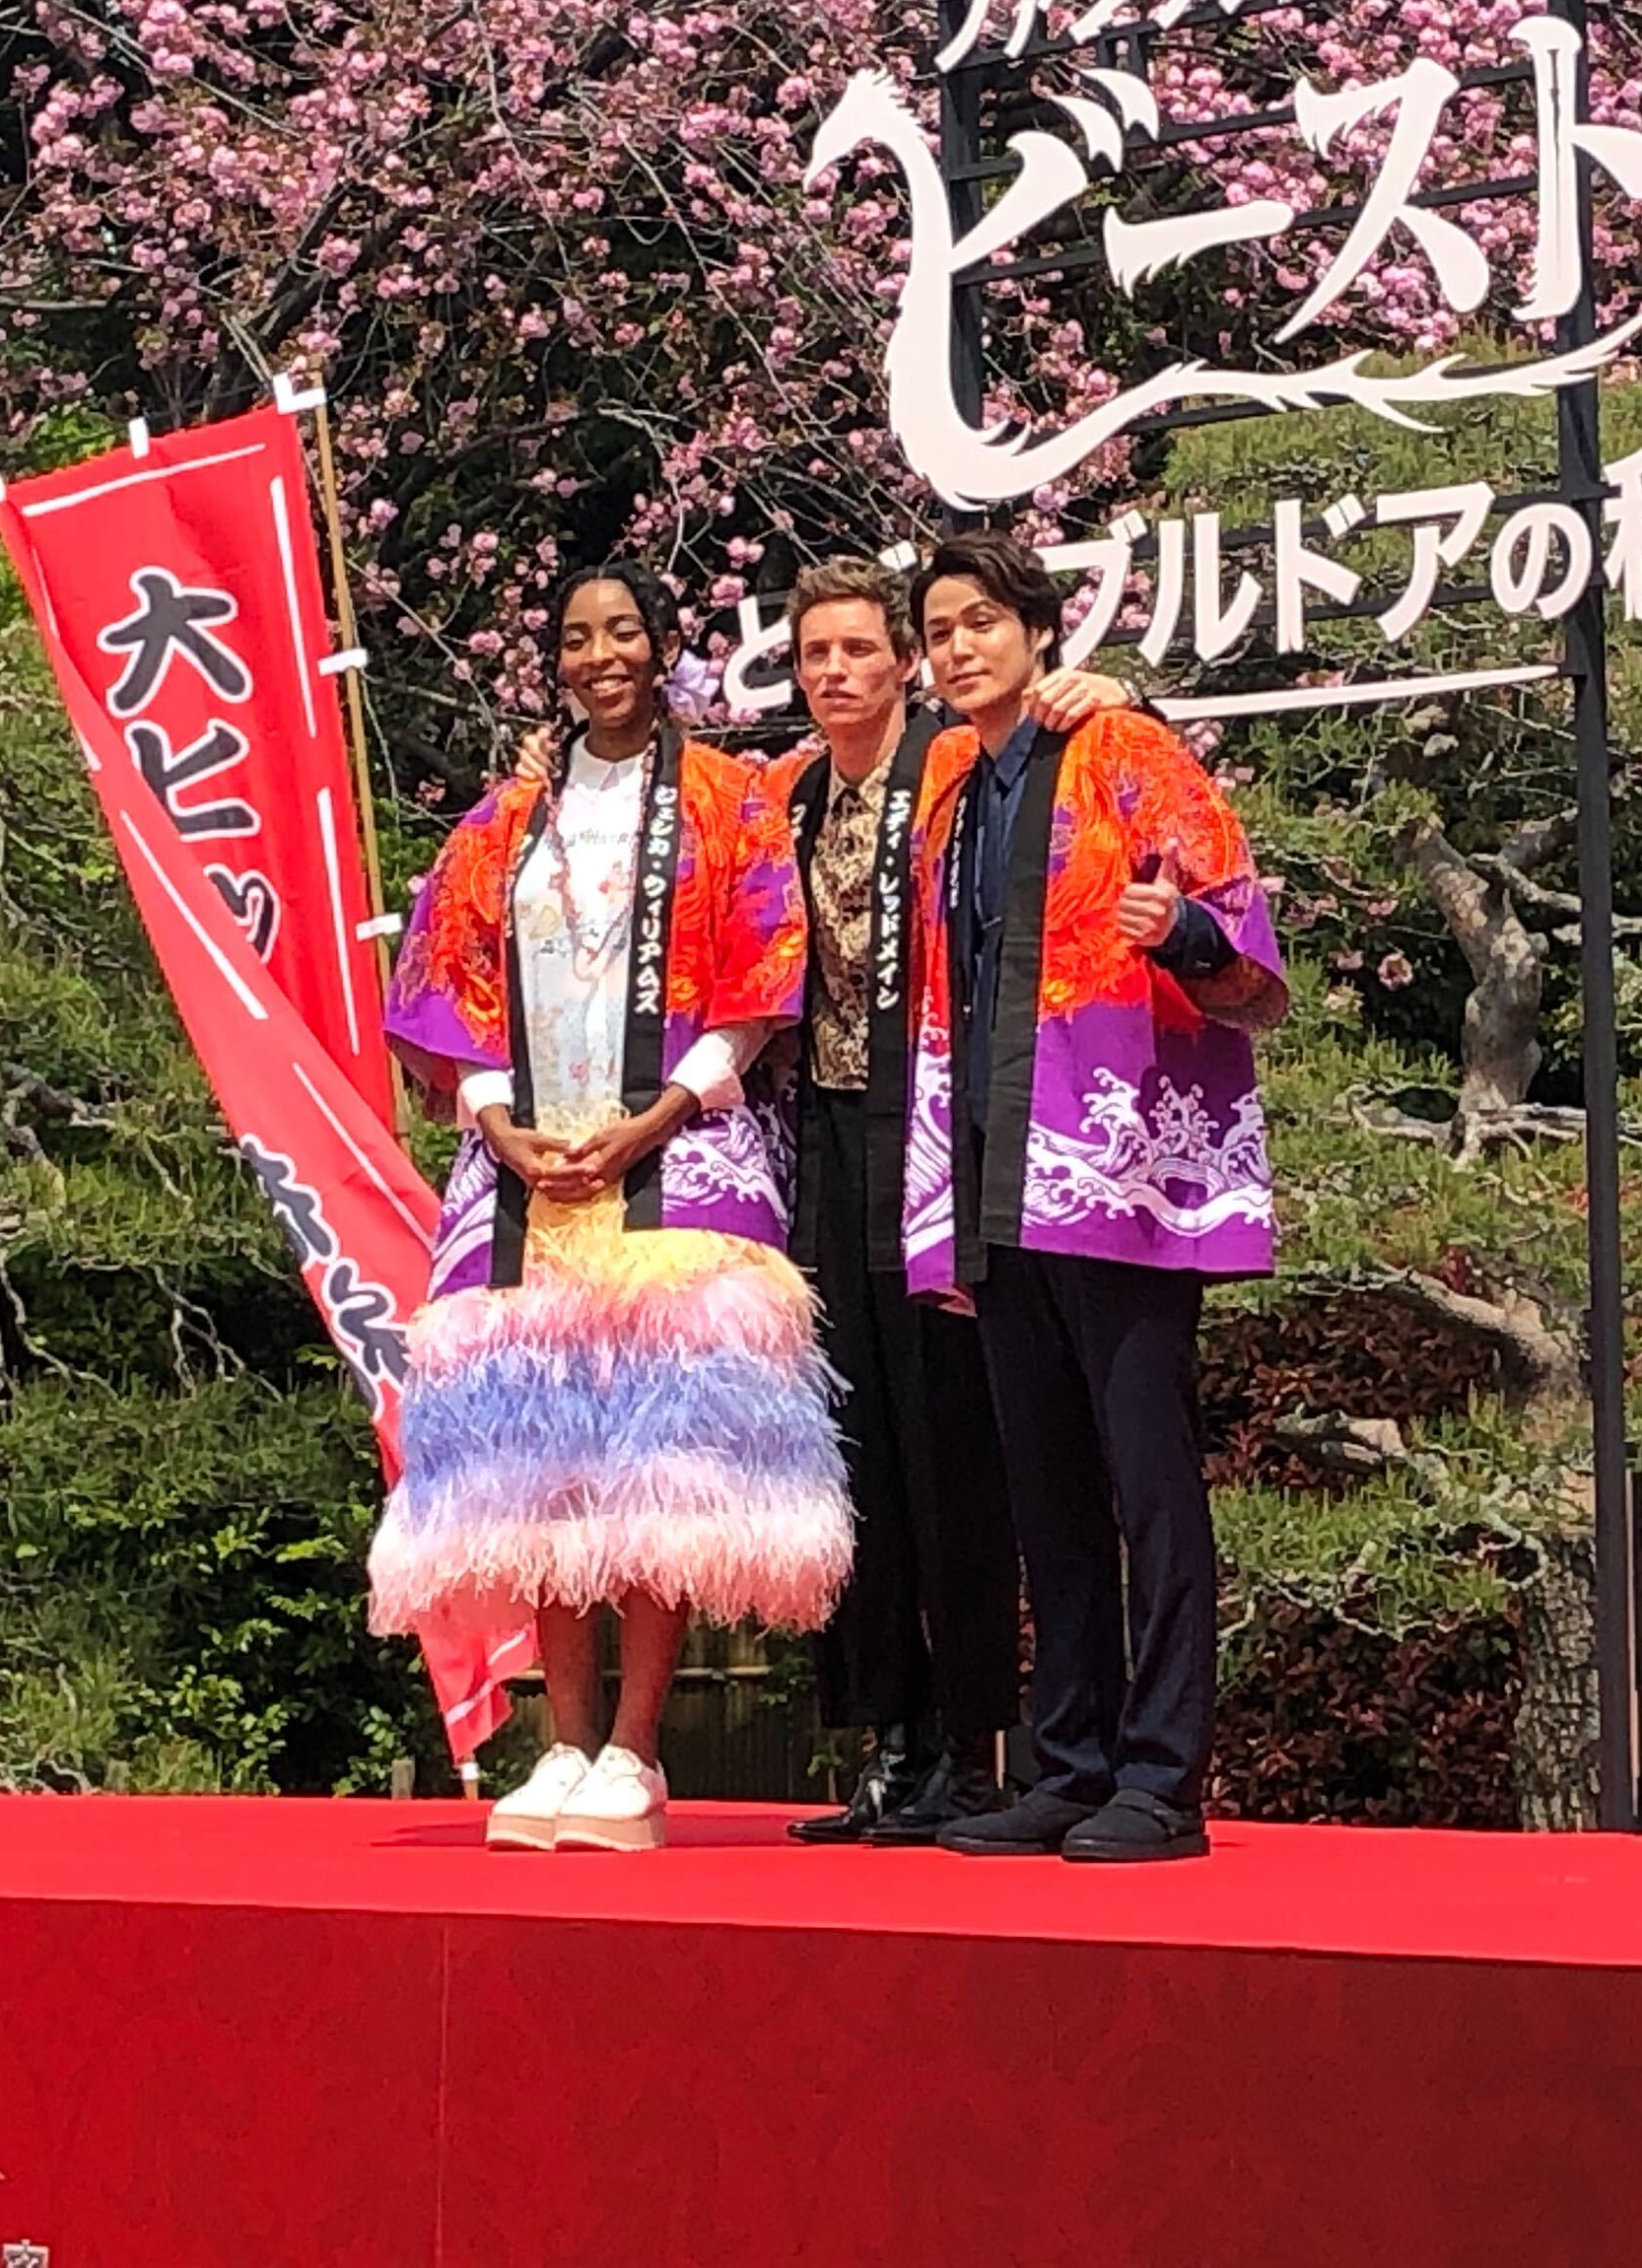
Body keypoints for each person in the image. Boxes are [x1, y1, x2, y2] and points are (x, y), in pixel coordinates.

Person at [366, 562, 851, 1851]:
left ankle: (638, 1745)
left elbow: (762, 971)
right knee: (543, 1459)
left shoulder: (730, 801)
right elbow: (446, 976)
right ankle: (564, 1740)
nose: (602, 655)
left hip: (679, 1147)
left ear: (662, 644)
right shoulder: (506, 816)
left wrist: (659, 1113)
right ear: (558, 663)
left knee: (660, 1455)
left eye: (624, 630)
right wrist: (496, 1120)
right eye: (578, 637)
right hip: (521, 1161)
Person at [901, 529, 1287, 1864]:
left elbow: (1238, 936)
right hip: (998, 1167)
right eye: (939, 630)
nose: (959, 647)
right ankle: (1070, 1762)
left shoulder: (1124, 747)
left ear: (1038, 631)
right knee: (1048, 1490)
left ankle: (1163, 1776)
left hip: (1117, 1167)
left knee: (1148, 1481)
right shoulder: (952, 781)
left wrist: (1180, 932)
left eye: (981, 622)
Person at [760, 558, 1026, 1845]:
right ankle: (890, 1739)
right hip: (820, 1133)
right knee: (847, 1446)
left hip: (929, 1132)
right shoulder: (790, 794)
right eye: (815, 654)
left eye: (859, 649)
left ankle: (973, 1748)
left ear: (904, 663)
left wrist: (1107, 691)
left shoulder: (954, 769)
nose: (835, 673)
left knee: (947, 1445)